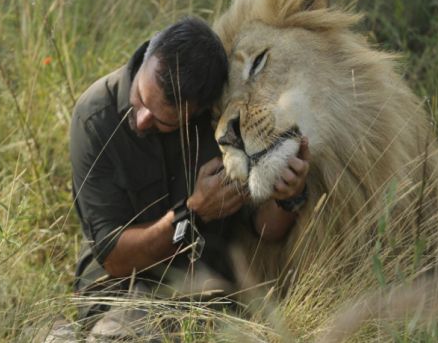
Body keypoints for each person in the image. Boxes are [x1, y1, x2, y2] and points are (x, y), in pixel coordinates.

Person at [68, 17, 310, 341]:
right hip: (121, 289)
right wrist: (193, 213)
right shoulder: (94, 117)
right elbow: (115, 258)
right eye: (141, 97)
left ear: (196, 111)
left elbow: (263, 230)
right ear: (149, 53)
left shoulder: (221, 123)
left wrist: (287, 196)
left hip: (208, 291)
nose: (141, 120)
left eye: (162, 121)